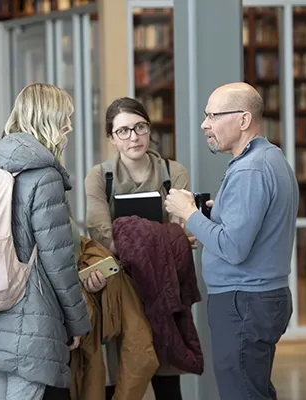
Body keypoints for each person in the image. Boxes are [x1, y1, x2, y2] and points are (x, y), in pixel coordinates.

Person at [164, 82, 299, 400]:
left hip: (244, 302)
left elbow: (233, 248)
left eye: (213, 115)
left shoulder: (251, 169)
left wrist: (189, 214)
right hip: (255, 299)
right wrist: (213, 217)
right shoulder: (269, 157)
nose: (204, 124)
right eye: (205, 115)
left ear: (243, 119)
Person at [0, 83, 90, 400]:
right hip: (33, 322)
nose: (68, 127)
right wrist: (77, 324)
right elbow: (58, 262)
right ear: (48, 121)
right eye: (64, 118)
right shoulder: (44, 176)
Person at [84, 97, 197, 400]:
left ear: (149, 129)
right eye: (123, 131)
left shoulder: (173, 172)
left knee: (168, 385)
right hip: (120, 292)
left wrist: (138, 239)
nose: (133, 137)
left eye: (140, 127)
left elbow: (180, 234)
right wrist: (162, 239)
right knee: (119, 382)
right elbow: (101, 236)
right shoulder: (100, 177)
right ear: (111, 137)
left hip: (164, 290)